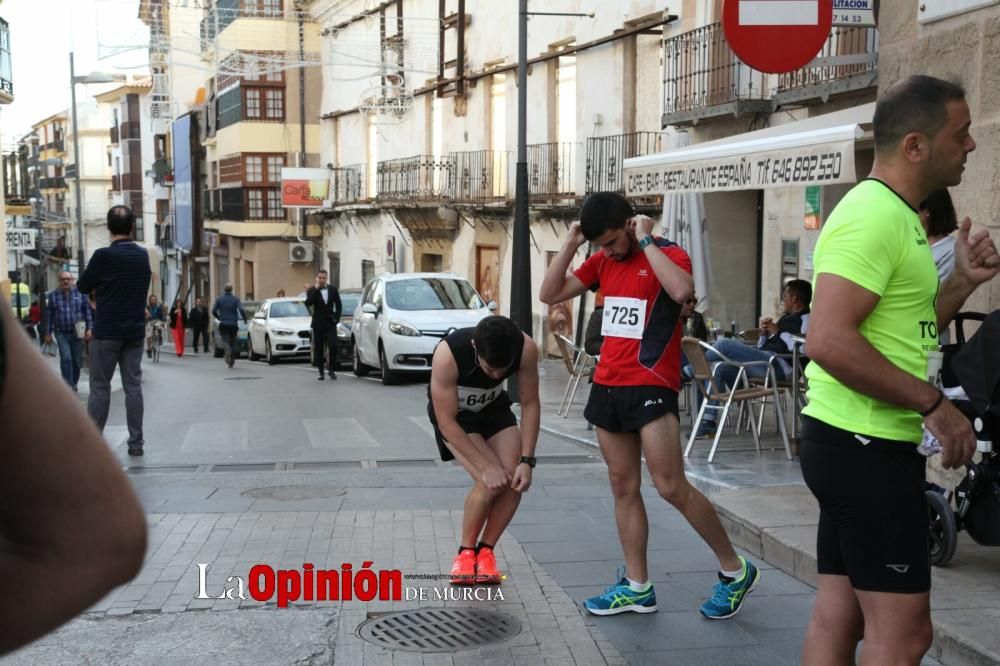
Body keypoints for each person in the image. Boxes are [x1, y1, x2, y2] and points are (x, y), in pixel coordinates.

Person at [800, 75, 999, 665]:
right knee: (905, 635)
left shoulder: (898, 216)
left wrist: (961, 281)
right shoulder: (875, 217)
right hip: (866, 447)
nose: (971, 146)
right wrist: (936, 407)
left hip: (849, 444)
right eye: (960, 135)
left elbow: (907, 335)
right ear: (915, 145)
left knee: (840, 617)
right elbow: (828, 340)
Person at [540, 191, 760, 619]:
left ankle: (735, 571)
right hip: (608, 383)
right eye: (598, 244)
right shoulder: (602, 261)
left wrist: (645, 243)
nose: (607, 251)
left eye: (612, 241)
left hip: (652, 382)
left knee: (670, 486)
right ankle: (638, 586)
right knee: (623, 487)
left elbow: (682, 290)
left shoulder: (667, 253)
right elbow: (551, 293)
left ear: (630, 224)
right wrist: (571, 242)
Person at [0, 294, 147, 655]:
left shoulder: (88, 288)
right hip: (109, 333)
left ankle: (85, 407)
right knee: (118, 380)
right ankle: (119, 429)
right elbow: (102, 539)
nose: (66, 281)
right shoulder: (62, 297)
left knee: (92, 377)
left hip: (100, 334)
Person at [428, 315, 540, 585]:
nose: (498, 375)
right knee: (489, 482)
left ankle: (486, 551)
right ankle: (465, 554)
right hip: (458, 420)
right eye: (491, 370)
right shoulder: (448, 354)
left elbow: (530, 404)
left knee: (514, 478)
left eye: (504, 369)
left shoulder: (525, 348)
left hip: (494, 411)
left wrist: (527, 460)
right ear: (476, 348)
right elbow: (446, 422)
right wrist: (485, 467)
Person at [690, 279, 811, 439]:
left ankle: (688, 369)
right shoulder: (786, 317)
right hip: (765, 362)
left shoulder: (807, 319)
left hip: (780, 368)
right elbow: (763, 347)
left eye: (785, 296)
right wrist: (763, 335)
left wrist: (778, 331)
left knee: (724, 344)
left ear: (794, 298)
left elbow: (803, 348)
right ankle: (707, 423)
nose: (783, 300)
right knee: (716, 368)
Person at [77, 205, 153, 457]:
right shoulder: (142, 256)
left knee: (100, 386)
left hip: (107, 329)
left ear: (108, 228)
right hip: (134, 330)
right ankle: (136, 443)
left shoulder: (102, 256)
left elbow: (82, 285)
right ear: (132, 227)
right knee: (133, 385)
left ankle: (94, 442)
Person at [920, 189, 960, 344]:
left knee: (930, 369)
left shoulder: (951, 251)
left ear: (928, 210)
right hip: (903, 339)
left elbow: (934, 301)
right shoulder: (915, 242)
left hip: (929, 342)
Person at [44, 271, 93, 391]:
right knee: (66, 358)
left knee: (76, 361)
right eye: (62, 279)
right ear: (59, 281)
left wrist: (90, 329)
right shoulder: (53, 295)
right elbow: (49, 315)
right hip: (61, 332)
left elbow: (88, 313)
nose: (65, 281)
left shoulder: (81, 294)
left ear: (72, 280)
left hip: (77, 332)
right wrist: (47, 333)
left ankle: (74, 381)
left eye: (68, 279)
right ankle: (68, 384)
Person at [304, 269, 342, 381]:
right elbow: (308, 303)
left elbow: (338, 304)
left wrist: (337, 318)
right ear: (317, 278)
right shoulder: (312, 290)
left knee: (333, 345)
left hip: (330, 322)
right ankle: (321, 372)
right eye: (320, 278)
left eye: (324, 278)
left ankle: (331, 370)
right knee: (319, 348)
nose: (322, 280)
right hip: (318, 323)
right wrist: (316, 290)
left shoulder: (333, 289)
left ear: (327, 279)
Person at [212, 284, 246, 368]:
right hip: (233, 324)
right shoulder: (235, 299)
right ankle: (231, 361)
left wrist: (218, 317)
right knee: (233, 341)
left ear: (224, 290)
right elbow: (241, 309)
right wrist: (245, 318)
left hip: (223, 323)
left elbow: (213, 310)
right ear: (232, 290)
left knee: (225, 340)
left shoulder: (219, 299)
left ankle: (227, 349)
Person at [144, 294, 165, 359]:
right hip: (149, 322)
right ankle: (149, 350)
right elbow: (144, 315)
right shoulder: (147, 307)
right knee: (149, 336)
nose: (153, 301)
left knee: (160, 325)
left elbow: (163, 314)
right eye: (151, 300)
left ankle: (160, 337)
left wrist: (164, 319)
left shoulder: (159, 306)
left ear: (156, 300)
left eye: (154, 299)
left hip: (157, 320)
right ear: (149, 301)